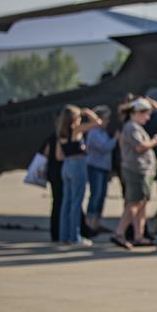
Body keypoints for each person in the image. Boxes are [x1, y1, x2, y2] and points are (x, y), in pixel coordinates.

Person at [112, 98, 157, 249]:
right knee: (134, 202)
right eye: (145, 114)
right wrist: (155, 141)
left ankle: (138, 235)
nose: (148, 117)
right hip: (136, 170)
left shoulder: (135, 127)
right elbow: (139, 147)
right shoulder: (132, 128)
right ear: (137, 113)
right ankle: (119, 232)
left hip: (142, 170)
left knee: (141, 202)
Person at [55, 105, 102, 246]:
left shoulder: (61, 133)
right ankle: (74, 237)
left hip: (66, 166)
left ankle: (64, 235)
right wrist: (87, 112)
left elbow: (59, 156)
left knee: (66, 202)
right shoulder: (76, 130)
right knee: (76, 202)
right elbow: (98, 123)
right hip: (77, 165)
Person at [84, 105, 118, 233]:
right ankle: (89, 224)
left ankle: (96, 223)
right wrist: (115, 139)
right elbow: (104, 147)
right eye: (105, 119)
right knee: (96, 195)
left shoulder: (102, 132)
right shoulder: (94, 132)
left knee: (101, 195)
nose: (107, 122)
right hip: (95, 167)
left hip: (103, 168)